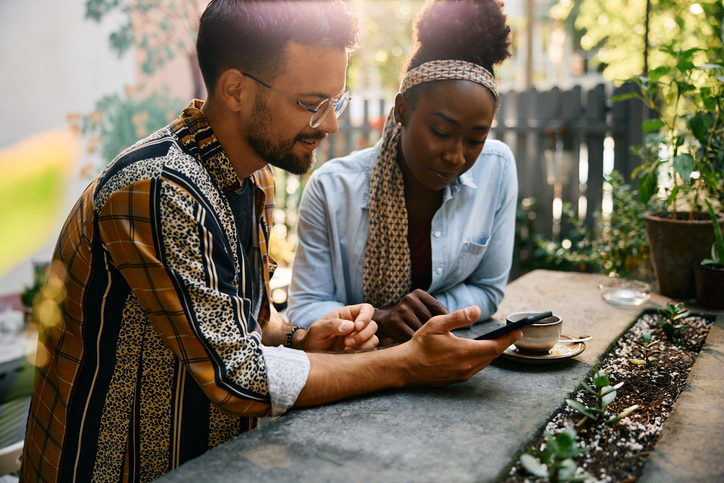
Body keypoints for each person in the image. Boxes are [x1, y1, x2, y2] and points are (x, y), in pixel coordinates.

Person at [21, 1, 521, 481]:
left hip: (213, 459)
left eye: (335, 101)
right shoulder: (156, 190)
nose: (330, 123)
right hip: (114, 464)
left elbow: (245, 318)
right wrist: (407, 364)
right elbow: (236, 375)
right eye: (311, 104)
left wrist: (300, 337)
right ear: (236, 88)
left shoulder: (253, 179)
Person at [287, 0, 518, 344]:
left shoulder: (496, 169)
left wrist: (425, 315)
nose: (456, 157)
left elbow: (487, 290)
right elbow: (305, 307)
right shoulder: (332, 189)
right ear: (402, 110)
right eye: (441, 132)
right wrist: (381, 318)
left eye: (475, 139)